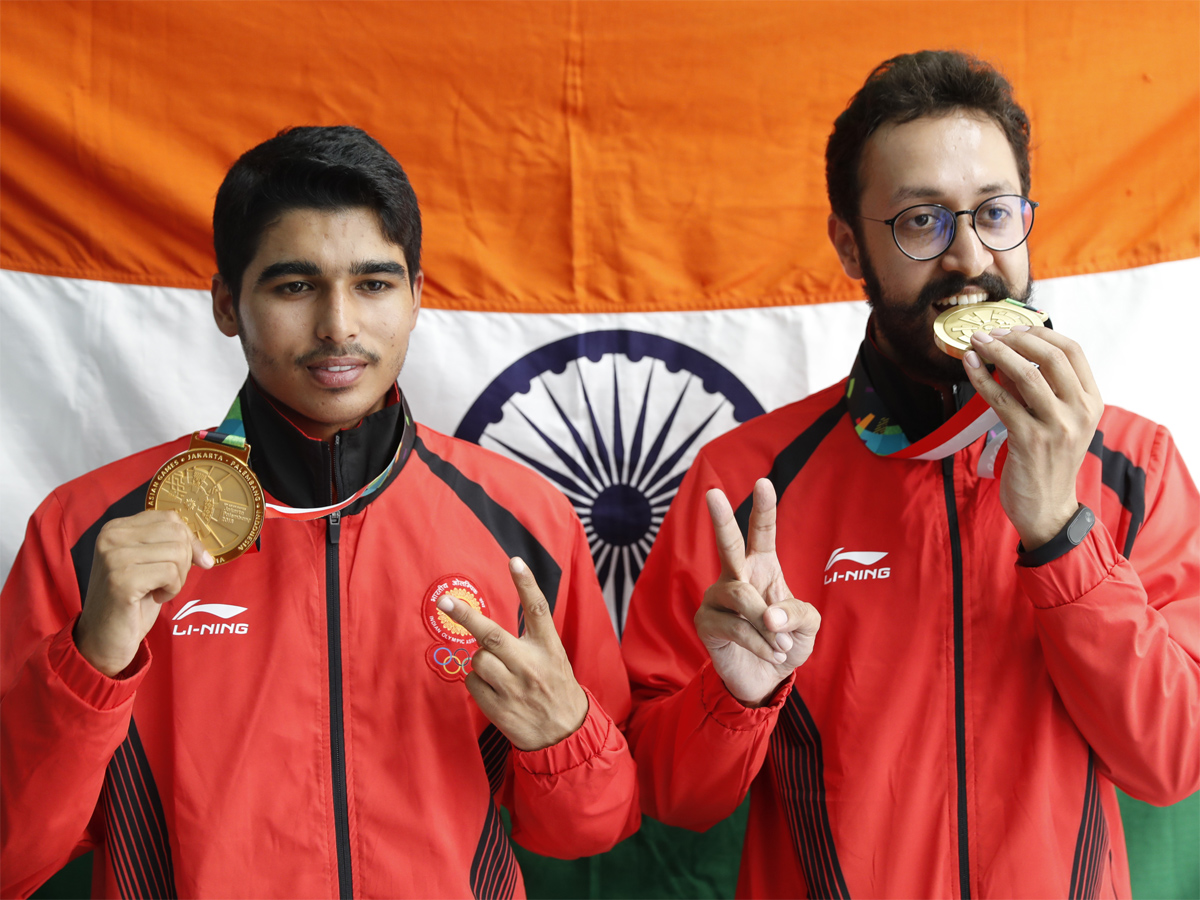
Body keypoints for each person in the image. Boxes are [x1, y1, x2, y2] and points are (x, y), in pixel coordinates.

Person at [1, 126, 638, 898]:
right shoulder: (89, 533)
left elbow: (589, 830)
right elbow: (14, 856)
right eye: (295, 286)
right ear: (227, 305)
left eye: (373, 283)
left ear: (416, 296)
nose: (339, 325)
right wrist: (90, 663)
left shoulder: (521, 521)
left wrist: (565, 737)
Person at [621, 50, 1198, 898]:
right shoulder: (750, 483)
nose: (970, 258)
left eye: (996, 214)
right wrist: (735, 699)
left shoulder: (1134, 466)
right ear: (851, 246)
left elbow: (1173, 761)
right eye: (922, 222)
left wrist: (1059, 534)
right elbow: (674, 797)